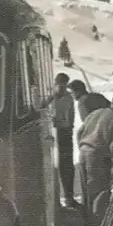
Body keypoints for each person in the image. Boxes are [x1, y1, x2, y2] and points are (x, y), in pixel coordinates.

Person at [77, 93, 113, 226]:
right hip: (98, 157)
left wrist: (83, 147)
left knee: (86, 194)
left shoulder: (95, 113)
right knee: (100, 194)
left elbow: (79, 132)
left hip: (83, 153)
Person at [51, 73, 79, 208]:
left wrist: (69, 127)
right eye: (59, 86)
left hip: (65, 132)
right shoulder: (49, 96)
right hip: (51, 133)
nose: (62, 89)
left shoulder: (69, 97)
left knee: (67, 166)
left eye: (64, 86)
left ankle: (69, 197)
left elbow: (71, 114)